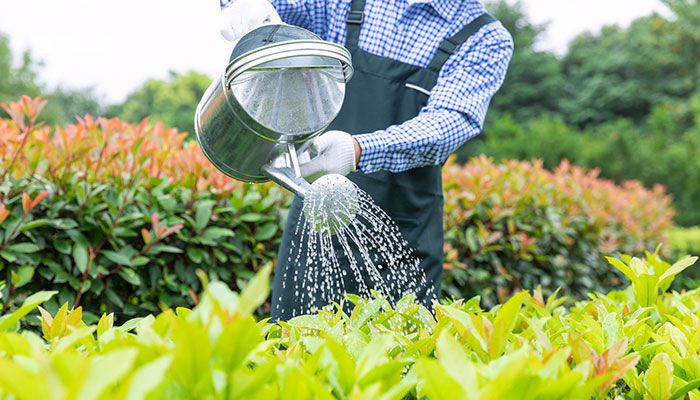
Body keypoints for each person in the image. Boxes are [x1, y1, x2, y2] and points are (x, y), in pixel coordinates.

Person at [219, 0, 513, 320]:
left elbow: (448, 123)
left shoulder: (483, 37)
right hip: (317, 221)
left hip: (402, 240)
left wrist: (358, 150)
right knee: (295, 354)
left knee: (396, 360)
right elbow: (279, 15)